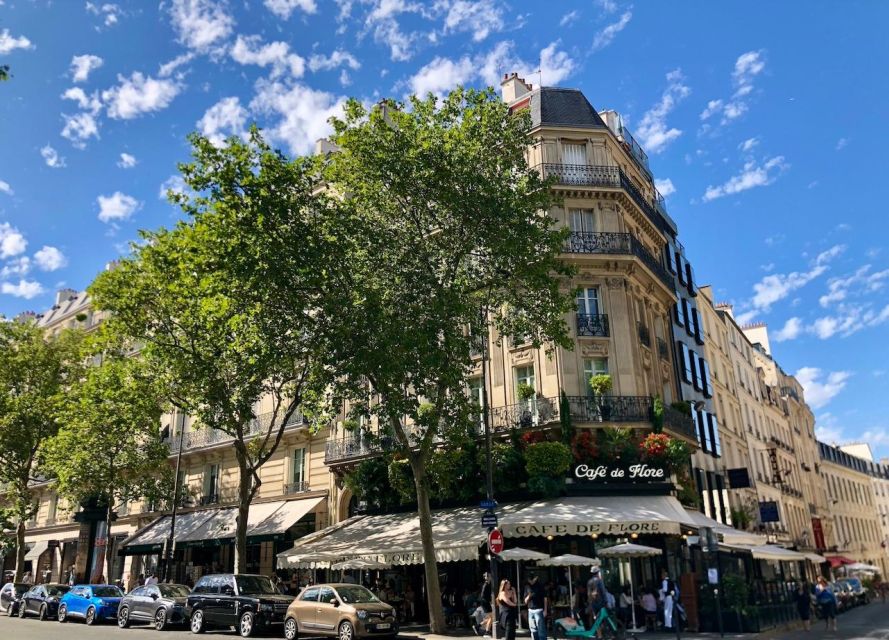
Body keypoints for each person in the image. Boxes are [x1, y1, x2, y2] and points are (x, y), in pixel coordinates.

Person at [524, 573, 548, 640]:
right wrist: (529, 596)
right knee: (533, 630)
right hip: (530, 610)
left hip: (539, 610)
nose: (531, 581)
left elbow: (545, 598)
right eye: (529, 579)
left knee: (541, 630)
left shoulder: (540, 586)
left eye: (533, 579)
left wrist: (545, 610)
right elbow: (525, 601)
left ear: (536, 578)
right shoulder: (527, 587)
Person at [587, 566, 607, 631]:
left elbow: (588, 593)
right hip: (600, 602)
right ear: (598, 573)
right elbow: (603, 592)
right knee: (603, 618)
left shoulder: (589, 581)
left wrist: (590, 603)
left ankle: (599, 634)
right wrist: (606, 601)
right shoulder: (599, 581)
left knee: (596, 619)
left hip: (592, 603)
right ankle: (603, 632)